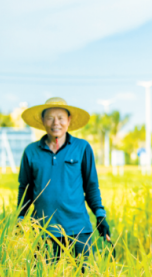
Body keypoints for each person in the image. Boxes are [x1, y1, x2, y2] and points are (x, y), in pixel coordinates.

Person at [18, 97, 111, 261]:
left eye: (61, 118)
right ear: (42, 120)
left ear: (68, 120)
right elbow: (25, 189)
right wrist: (20, 217)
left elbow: (91, 187)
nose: (56, 123)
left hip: (78, 229)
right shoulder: (31, 152)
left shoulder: (82, 148)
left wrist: (100, 215)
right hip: (43, 231)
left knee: (84, 271)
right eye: (50, 117)